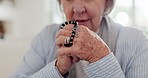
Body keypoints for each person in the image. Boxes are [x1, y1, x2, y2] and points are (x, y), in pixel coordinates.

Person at [10, 0, 148, 78]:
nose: (77, 8)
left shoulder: (135, 41)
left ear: (107, 3)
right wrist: (57, 68)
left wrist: (99, 56)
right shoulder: (46, 37)